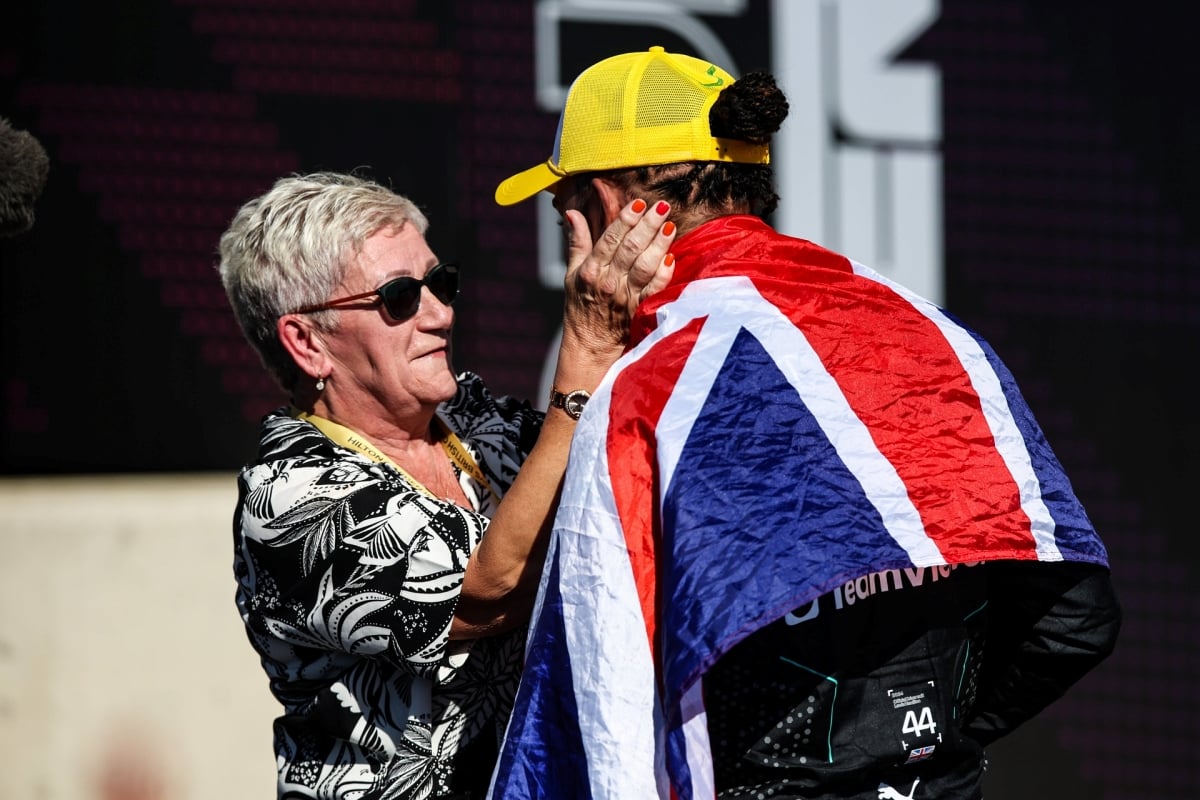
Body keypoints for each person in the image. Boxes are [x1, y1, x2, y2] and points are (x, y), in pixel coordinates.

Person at [489, 47, 1122, 800]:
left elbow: (600, 713)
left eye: (564, 201)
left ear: (602, 204)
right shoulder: (937, 336)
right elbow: (1072, 620)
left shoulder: (646, 392)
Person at [216, 170, 676, 799]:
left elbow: (626, 479)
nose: (440, 313)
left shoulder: (474, 422)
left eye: (441, 282)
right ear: (308, 342)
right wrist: (585, 357)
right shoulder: (289, 494)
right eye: (400, 296)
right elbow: (487, 590)